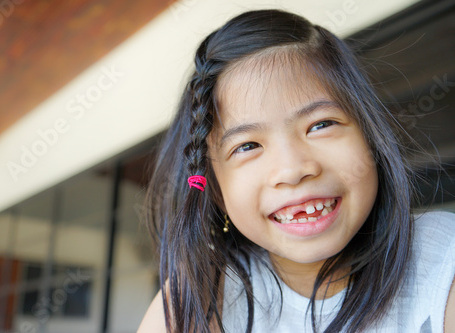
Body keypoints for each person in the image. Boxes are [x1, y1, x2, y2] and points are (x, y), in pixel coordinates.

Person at [138, 9, 455, 333]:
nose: (292, 170)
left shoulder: (442, 256)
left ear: (370, 135)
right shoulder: (201, 296)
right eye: (247, 146)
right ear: (215, 190)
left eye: (320, 125)